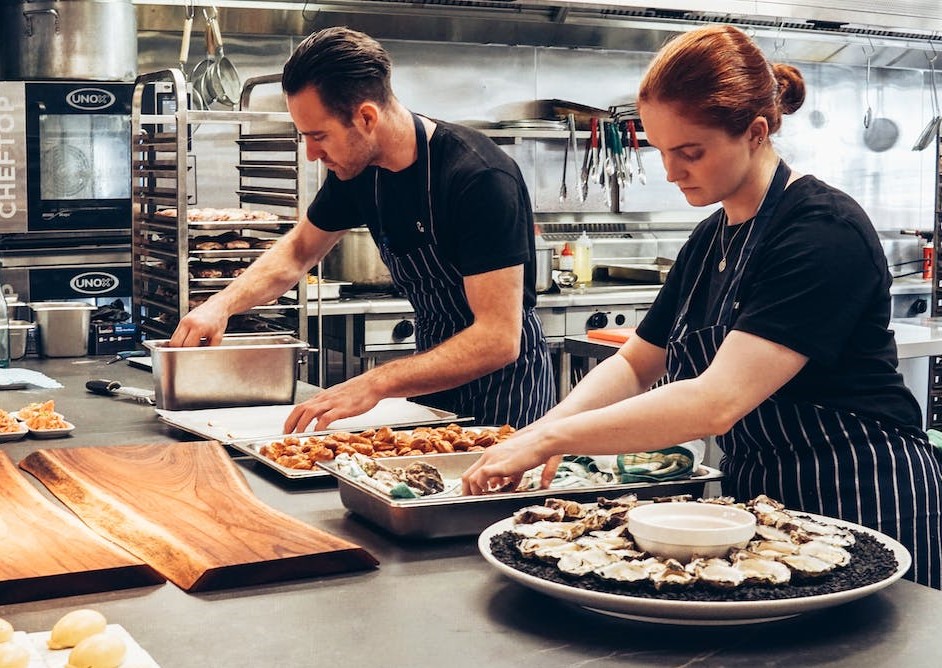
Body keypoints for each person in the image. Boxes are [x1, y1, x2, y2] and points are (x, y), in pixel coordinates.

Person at [462, 24, 942, 589]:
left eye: (690, 152)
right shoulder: (711, 237)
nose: (671, 172)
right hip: (763, 503)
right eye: (661, 150)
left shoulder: (820, 230)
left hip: (862, 491)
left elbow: (717, 402)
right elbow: (637, 363)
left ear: (756, 132)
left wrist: (552, 440)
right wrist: (537, 432)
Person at [169, 26, 555, 432]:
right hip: (431, 381)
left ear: (366, 117)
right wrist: (220, 305)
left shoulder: (478, 177)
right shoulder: (358, 173)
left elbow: (497, 338)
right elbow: (299, 251)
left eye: (319, 136)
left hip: (507, 396)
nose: (312, 153)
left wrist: (375, 382)